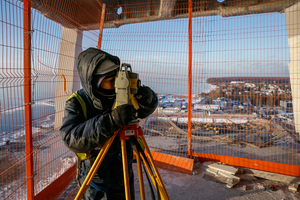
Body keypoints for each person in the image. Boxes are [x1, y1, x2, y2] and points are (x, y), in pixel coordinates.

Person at [59, 47, 158, 200]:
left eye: (117, 77)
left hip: (123, 172)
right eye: (110, 80)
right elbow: (71, 138)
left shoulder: (119, 93)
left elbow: (140, 112)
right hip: (96, 178)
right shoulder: (77, 103)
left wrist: (149, 100)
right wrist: (109, 121)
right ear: (94, 82)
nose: (117, 84)